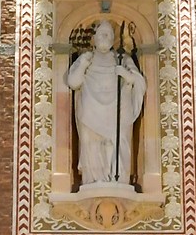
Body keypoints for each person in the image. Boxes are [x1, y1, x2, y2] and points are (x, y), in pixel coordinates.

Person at [62, 19, 147, 189]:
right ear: (94, 38)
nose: (105, 38)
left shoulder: (122, 59)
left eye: (108, 34)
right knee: (89, 141)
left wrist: (127, 76)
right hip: (90, 108)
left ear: (113, 38)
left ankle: (118, 178)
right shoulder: (87, 58)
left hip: (117, 109)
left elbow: (139, 82)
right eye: (101, 34)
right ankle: (92, 179)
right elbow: (73, 82)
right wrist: (83, 63)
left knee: (116, 141)